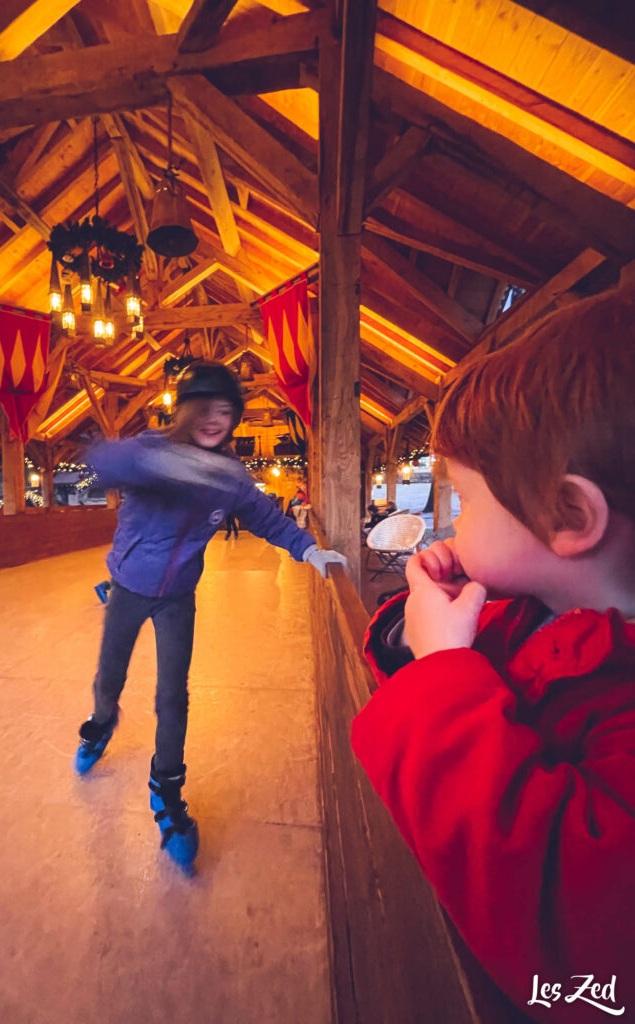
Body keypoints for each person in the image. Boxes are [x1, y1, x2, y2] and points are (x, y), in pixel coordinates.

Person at [350, 287, 635, 1022]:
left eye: (467, 501)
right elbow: (437, 687)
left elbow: (577, 942)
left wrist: (444, 669)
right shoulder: (534, 614)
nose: (455, 520)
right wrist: (413, 636)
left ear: (569, 517)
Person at [75, 361, 347, 873]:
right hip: (128, 589)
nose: (215, 419)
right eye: (205, 408)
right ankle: (102, 722)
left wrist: (310, 550)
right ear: (183, 411)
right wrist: (166, 467)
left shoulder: (229, 476)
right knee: (109, 675)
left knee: (173, 695)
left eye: (226, 411)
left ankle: (167, 791)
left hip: (178, 596)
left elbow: (266, 517)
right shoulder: (150, 450)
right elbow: (106, 461)